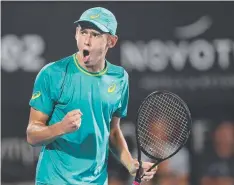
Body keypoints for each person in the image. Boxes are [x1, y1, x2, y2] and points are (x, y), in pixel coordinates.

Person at [26, 7, 157, 185]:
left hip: (97, 181)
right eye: (83, 32)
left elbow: (112, 132)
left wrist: (131, 164)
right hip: (54, 180)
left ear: (111, 41)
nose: (86, 41)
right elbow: (32, 135)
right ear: (76, 34)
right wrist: (61, 128)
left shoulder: (119, 78)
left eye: (95, 34)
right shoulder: (52, 73)